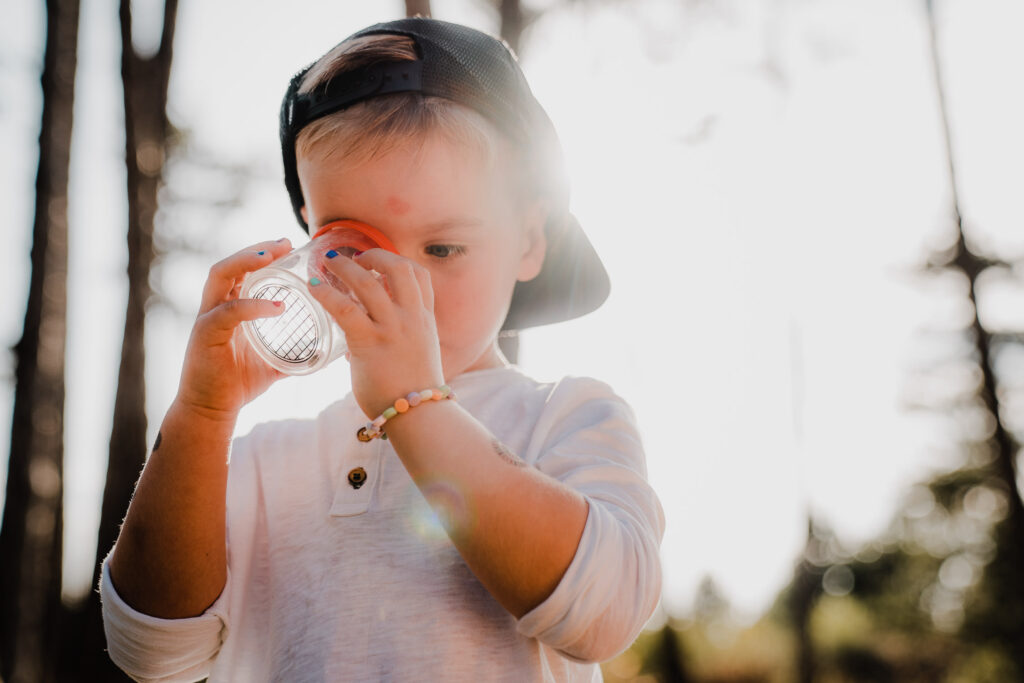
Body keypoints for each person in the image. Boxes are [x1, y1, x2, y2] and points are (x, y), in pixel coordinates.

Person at [100, 17, 664, 682]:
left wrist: (415, 406)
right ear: (310, 242)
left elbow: (606, 611)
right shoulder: (257, 463)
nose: (401, 285)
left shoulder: (568, 418)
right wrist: (200, 415)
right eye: (353, 249)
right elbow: (153, 652)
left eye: (444, 248)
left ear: (529, 241)